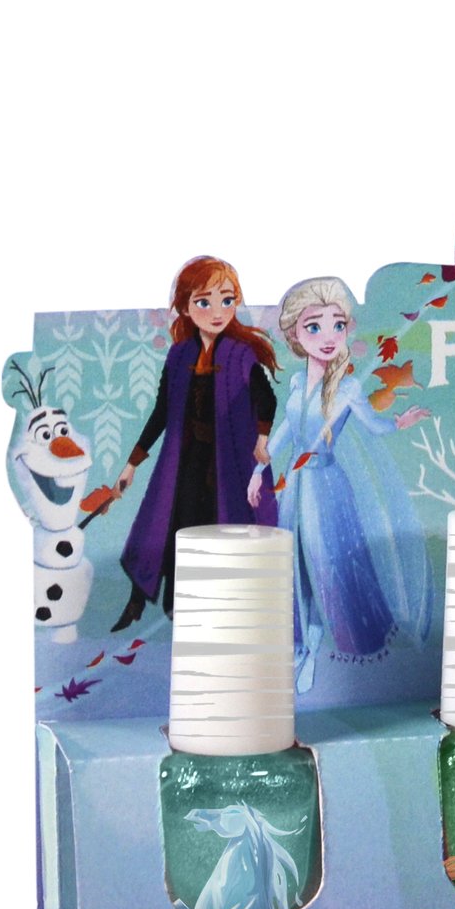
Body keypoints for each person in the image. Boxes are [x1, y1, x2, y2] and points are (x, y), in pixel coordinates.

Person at [251, 276, 431, 691]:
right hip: (296, 488)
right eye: (314, 326)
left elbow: (373, 426)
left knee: (326, 565)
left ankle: (317, 649)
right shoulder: (297, 385)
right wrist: (257, 472)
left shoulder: (348, 388)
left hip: (328, 488)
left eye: (338, 325)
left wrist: (399, 423)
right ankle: (302, 646)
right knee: (296, 565)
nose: (328, 336)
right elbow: (283, 435)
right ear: (295, 336)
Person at [110, 256, 278, 629]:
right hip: (184, 461)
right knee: (173, 524)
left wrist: (261, 439)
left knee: (220, 527)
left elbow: (266, 399)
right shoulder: (180, 355)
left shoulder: (240, 355)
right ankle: (168, 604)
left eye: (227, 300)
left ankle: (217, 610)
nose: (217, 312)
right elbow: (161, 412)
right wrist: (132, 463)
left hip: (228, 462)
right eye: (204, 301)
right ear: (186, 307)